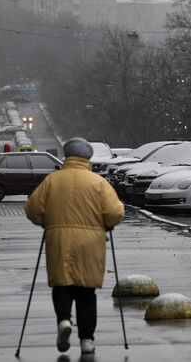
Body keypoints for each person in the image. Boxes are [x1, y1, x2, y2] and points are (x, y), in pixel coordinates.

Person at [25, 137, 124, 355]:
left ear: (66, 157)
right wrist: (107, 224)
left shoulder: (53, 181)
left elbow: (32, 208)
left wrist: (46, 222)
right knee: (86, 292)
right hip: (91, 242)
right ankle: (87, 340)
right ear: (87, 158)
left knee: (62, 285)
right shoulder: (97, 182)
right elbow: (115, 212)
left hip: (58, 239)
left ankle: (63, 321)